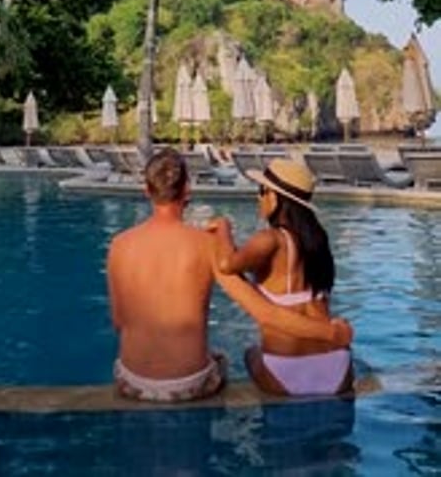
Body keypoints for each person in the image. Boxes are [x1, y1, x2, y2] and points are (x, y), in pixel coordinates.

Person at [106, 147, 353, 403]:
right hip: (190, 385)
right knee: (220, 360)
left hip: (132, 383)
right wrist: (331, 334)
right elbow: (265, 313)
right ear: (187, 190)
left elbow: (118, 322)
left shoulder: (119, 245)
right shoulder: (206, 245)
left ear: (147, 190)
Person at [210, 157, 354, 397]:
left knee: (250, 353)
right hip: (338, 369)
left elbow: (226, 264)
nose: (258, 198)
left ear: (274, 197)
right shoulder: (318, 241)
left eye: (261, 191)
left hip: (284, 373)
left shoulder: (271, 239)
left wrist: (223, 228)